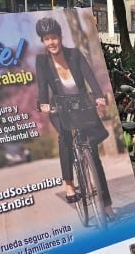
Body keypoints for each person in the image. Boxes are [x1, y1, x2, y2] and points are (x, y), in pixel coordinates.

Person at [34, 17, 115, 220]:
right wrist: (43, 103)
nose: (51, 42)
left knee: (94, 157)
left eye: (54, 37)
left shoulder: (75, 55)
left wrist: (98, 96)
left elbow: (90, 78)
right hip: (59, 107)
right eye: (46, 39)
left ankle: (106, 204)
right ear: (43, 41)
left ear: (61, 37)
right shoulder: (42, 61)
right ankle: (69, 183)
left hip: (81, 105)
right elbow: (42, 87)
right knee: (65, 137)